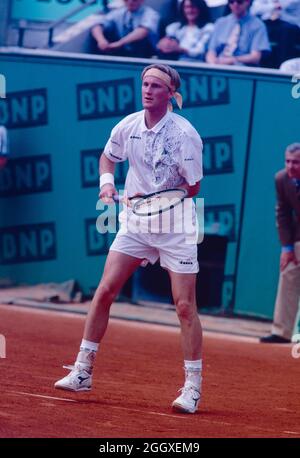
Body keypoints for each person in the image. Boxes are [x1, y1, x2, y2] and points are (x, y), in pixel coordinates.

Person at [54, 64, 204, 414]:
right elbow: (108, 157)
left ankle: (192, 388)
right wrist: (107, 183)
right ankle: (82, 370)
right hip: (135, 224)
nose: (148, 90)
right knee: (105, 290)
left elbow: (193, 185)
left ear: (170, 93)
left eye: (156, 86)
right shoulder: (128, 125)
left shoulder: (185, 134)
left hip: (176, 226)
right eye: (145, 84)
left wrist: (158, 202)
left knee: (184, 306)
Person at [261, 143, 300, 343]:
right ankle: (282, 331)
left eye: (296, 162)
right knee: (288, 270)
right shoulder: (281, 179)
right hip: (297, 237)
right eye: (288, 161)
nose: (291, 166)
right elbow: (282, 213)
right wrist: (287, 247)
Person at [206, 0, 270, 66]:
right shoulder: (220, 23)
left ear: (247, 2)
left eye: (239, 1)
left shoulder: (258, 25)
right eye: (231, 1)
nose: (235, 4)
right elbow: (211, 51)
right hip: (218, 67)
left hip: (242, 71)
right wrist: (212, 63)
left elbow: (255, 57)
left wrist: (232, 60)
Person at [91, 0, 160, 58]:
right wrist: (101, 41)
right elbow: (97, 25)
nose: (130, 2)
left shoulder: (151, 14)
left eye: (134, 0)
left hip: (146, 55)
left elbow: (143, 31)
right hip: (123, 53)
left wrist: (120, 43)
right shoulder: (118, 12)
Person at [251, 0, 300, 67]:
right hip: (268, 22)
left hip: (290, 25)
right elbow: (254, 9)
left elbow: (285, 4)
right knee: (257, 26)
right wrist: (273, 6)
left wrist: (266, 7)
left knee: (285, 31)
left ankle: (282, 68)